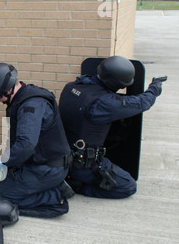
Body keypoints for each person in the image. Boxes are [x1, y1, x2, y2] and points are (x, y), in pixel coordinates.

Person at [58, 55, 163, 199]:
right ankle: (77, 185)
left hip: (61, 159)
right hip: (83, 166)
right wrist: (154, 89)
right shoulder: (103, 103)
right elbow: (141, 103)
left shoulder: (72, 87)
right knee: (128, 186)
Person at [0, 63, 74, 218]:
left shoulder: (30, 106)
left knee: (4, 196)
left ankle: (55, 195)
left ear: (9, 89)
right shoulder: (22, 97)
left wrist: (2, 160)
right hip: (38, 162)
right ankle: (45, 186)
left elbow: (25, 144)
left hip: (48, 167)